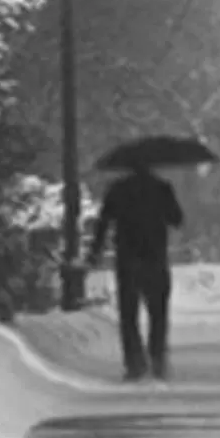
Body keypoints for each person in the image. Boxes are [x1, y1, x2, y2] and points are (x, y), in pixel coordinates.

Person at [87, 164, 184, 382]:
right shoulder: (162, 188)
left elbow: (103, 222)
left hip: (127, 257)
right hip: (155, 257)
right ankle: (157, 358)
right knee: (158, 312)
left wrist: (96, 251)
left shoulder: (118, 189)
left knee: (128, 313)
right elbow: (176, 219)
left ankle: (134, 362)